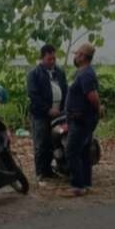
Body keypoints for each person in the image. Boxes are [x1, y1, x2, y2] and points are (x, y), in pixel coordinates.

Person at [27, 44, 68, 183]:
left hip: (58, 113)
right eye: (49, 59)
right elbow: (33, 95)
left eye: (54, 59)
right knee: (41, 143)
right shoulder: (34, 74)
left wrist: (63, 108)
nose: (52, 62)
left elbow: (65, 90)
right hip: (40, 114)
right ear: (42, 58)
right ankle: (40, 172)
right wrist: (47, 109)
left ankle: (49, 169)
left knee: (53, 142)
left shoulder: (59, 72)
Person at [65, 43, 101, 197]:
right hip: (80, 119)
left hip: (81, 120)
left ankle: (78, 185)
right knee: (84, 151)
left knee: (72, 151)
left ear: (82, 57)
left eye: (77, 54)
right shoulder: (82, 72)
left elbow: (92, 96)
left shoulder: (86, 74)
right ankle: (85, 183)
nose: (75, 57)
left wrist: (99, 109)